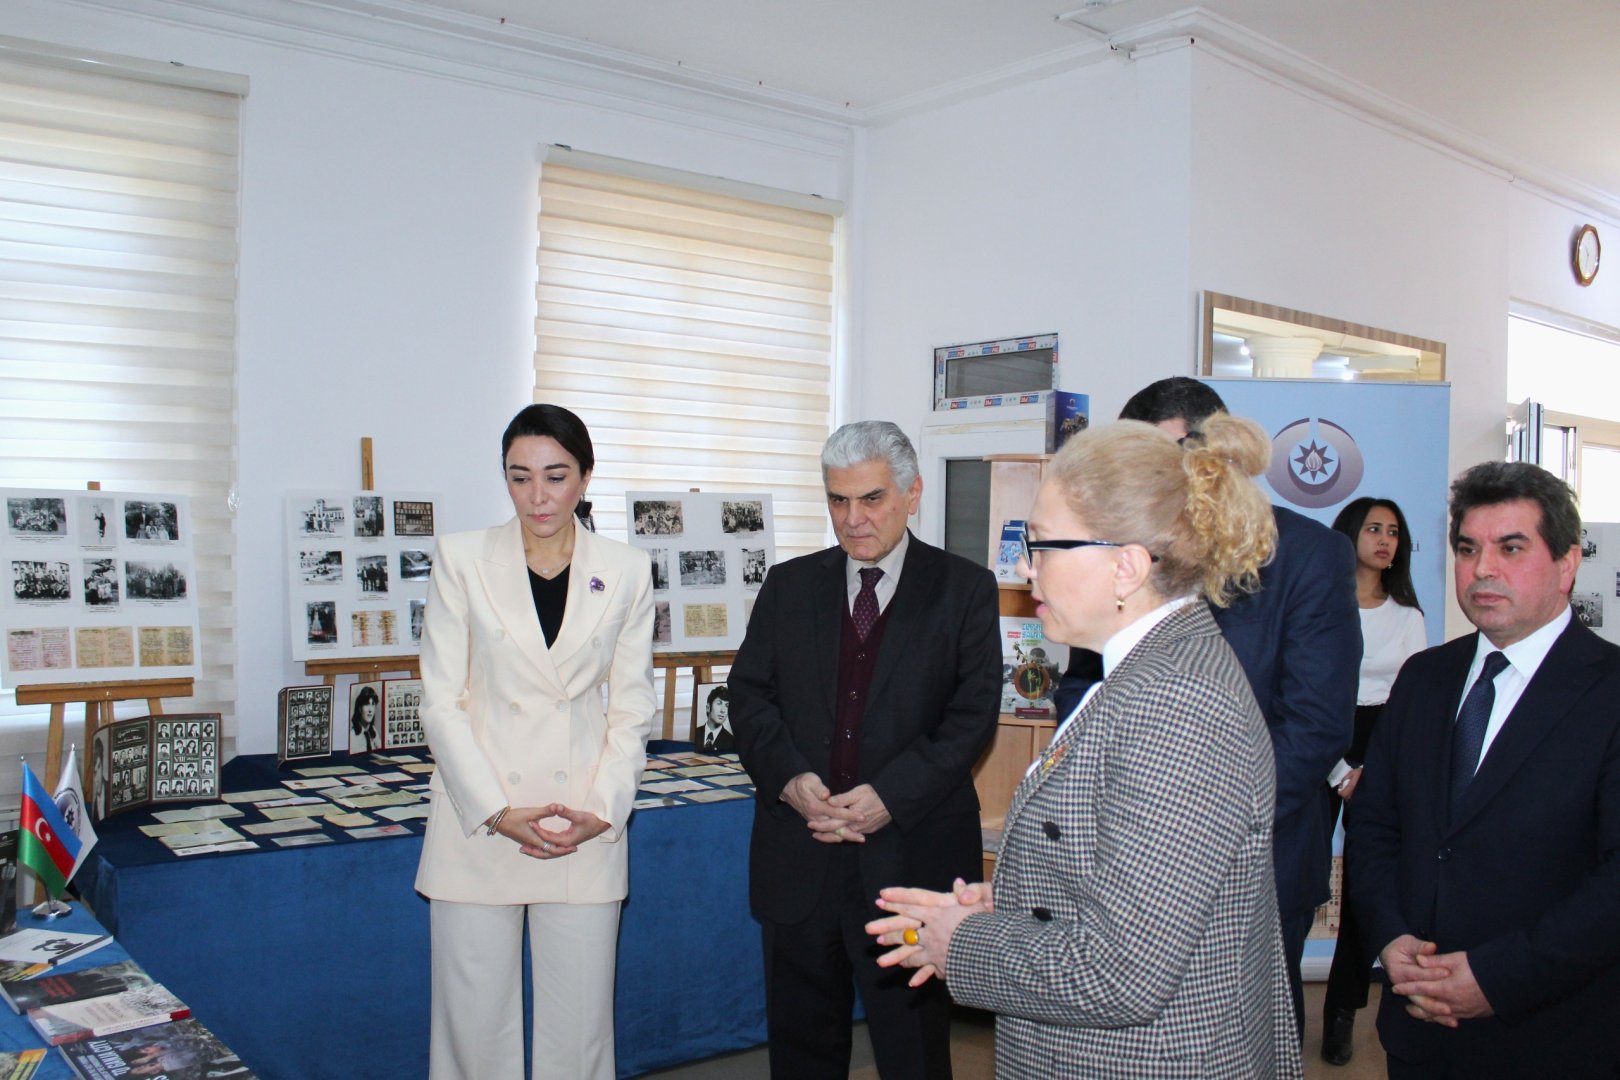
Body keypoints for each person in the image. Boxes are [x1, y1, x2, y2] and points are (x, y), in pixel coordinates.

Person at [867, 416, 1302, 1078]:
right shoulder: (1146, 674)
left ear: (1126, 566)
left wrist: (966, 944)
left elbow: (1123, 971)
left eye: (1042, 545)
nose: (1024, 567)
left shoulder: (1174, 704)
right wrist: (1010, 907)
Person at [1053, 377, 1359, 1033]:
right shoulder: (1125, 552)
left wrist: (1192, 821)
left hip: (1253, 858)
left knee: (1233, 1040)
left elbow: (1314, 727)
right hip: (1120, 846)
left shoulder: (1307, 555)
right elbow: (1081, 688)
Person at [730, 420, 1001, 1080]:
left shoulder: (964, 589)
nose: (853, 519)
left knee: (913, 1052)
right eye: (838, 499)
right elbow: (749, 697)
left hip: (912, 861)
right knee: (801, 1051)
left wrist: (889, 797)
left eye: (872, 498)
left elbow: (971, 718)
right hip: (801, 858)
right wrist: (790, 780)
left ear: (912, 494)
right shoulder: (788, 586)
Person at [1347, 461, 1620, 1079]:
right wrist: (1390, 938)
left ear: (1567, 564)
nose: (1483, 569)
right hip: (1418, 1030)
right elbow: (1375, 824)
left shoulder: (1609, 692)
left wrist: (1497, 977)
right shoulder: (1423, 678)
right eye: (1468, 549)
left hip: (1555, 1036)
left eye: (1511, 548)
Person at [415, 403, 657, 1080]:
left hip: (581, 818)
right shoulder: (462, 558)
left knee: (579, 1035)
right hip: (479, 818)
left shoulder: (627, 569)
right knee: (472, 1031)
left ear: (585, 477)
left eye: (556, 476)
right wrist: (495, 810)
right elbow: (440, 701)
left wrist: (603, 809)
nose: (538, 496)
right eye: (520, 477)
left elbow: (632, 706)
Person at [1319, 496, 1428, 1065]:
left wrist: (1372, 770)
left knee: (1366, 887)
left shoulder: (1408, 616)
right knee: (1300, 881)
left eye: (1393, 531)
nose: (1385, 540)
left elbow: (1410, 703)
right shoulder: (1322, 606)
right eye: (1373, 529)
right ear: (1349, 535)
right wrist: (1337, 768)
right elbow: (1307, 691)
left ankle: (1342, 1012)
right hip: (1320, 741)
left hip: (1381, 750)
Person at [696, 685, 734, 752]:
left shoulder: (732, 741)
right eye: (719, 703)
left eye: (727, 706)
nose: (723, 710)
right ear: (708, 707)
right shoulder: (696, 733)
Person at [350, 685, 380, 752]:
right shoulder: (352, 736)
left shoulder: (374, 731)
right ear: (360, 708)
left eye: (373, 704)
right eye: (366, 704)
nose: (370, 710)